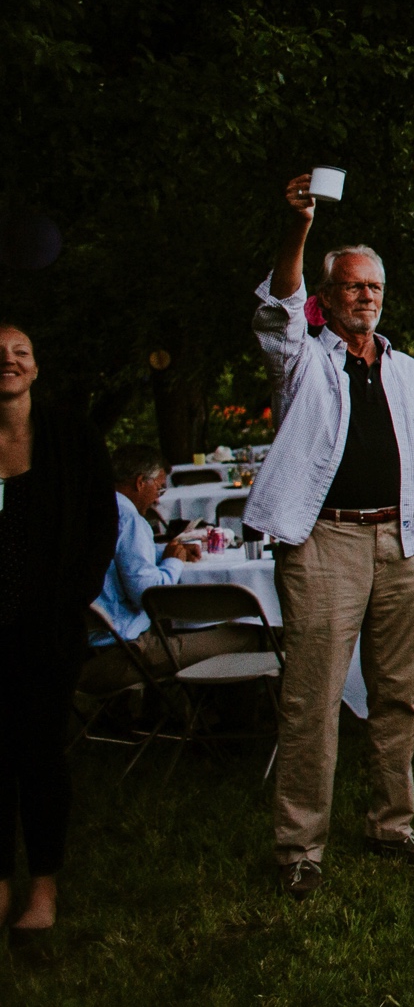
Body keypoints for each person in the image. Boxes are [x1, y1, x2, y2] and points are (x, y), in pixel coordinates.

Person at [245, 174, 414, 901]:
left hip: (402, 545)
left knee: (399, 693)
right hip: (325, 543)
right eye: (352, 286)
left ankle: (392, 822)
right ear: (326, 297)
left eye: (375, 287)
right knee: (311, 698)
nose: (365, 296)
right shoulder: (304, 360)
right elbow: (275, 310)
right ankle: (301, 846)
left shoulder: (411, 372)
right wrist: (298, 228)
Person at [0, 323, 117, 946]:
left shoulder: (70, 436)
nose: (8, 362)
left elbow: (103, 520)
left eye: (20, 352)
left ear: (37, 368)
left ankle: (43, 884)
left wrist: (76, 591)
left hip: (47, 627)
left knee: (38, 753)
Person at [82, 445, 256, 690]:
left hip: (82, 650)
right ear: (141, 482)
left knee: (191, 627)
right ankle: (228, 720)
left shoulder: (88, 511)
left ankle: (170, 710)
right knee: (245, 636)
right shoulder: (129, 520)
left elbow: (118, 555)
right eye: (159, 487)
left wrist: (163, 551)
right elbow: (150, 595)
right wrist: (173, 562)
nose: (159, 497)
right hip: (124, 654)